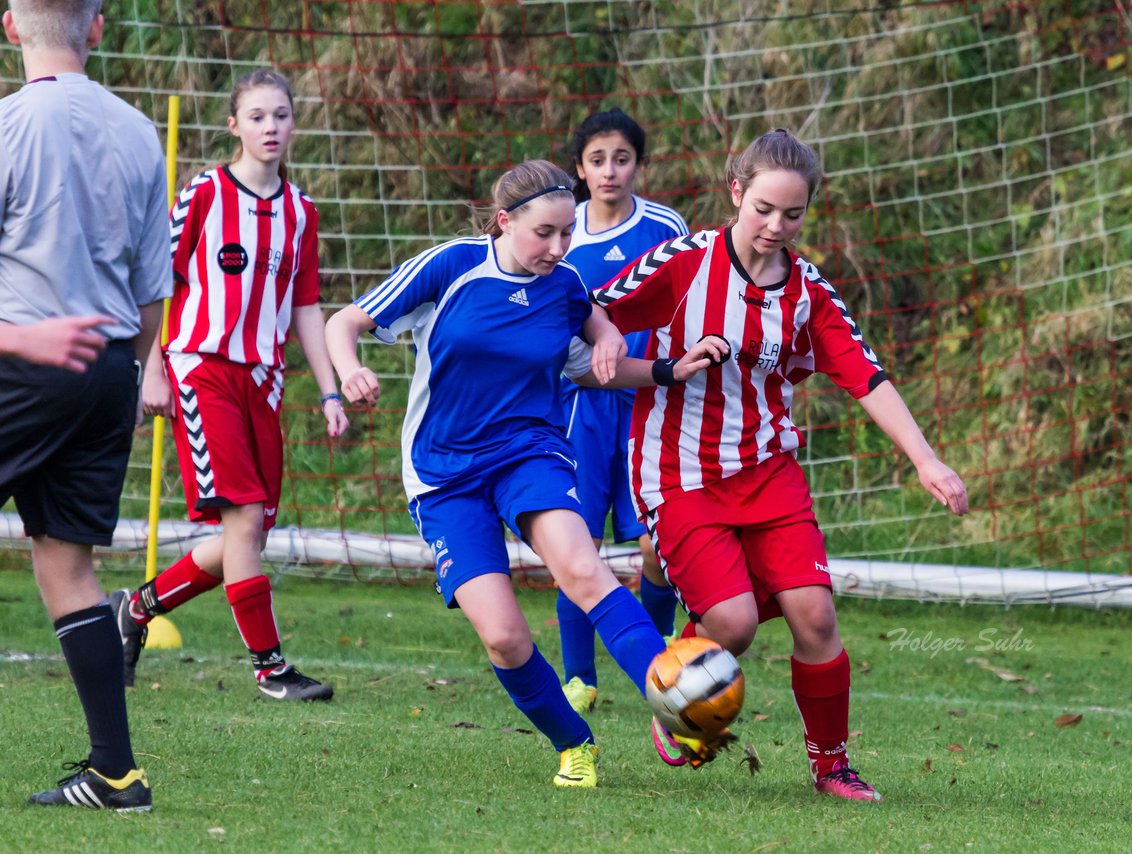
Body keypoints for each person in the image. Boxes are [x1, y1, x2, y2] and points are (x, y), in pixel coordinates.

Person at [594, 129, 970, 802]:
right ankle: (682, 695)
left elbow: (866, 376)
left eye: (792, 214)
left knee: (816, 617)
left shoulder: (809, 293)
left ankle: (833, 768)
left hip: (769, 473)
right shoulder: (684, 263)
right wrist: (627, 361)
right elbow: (596, 316)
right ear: (736, 192)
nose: (775, 225)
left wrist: (926, 459)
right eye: (763, 208)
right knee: (733, 625)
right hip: (681, 476)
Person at [325, 160, 726, 789]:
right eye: (545, 233)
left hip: (528, 452)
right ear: (505, 221)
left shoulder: (564, 286)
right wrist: (348, 369)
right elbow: (342, 322)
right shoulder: (451, 267)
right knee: (506, 638)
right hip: (444, 473)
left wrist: (668, 370)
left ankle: (678, 705)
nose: (559, 248)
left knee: (583, 568)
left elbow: (593, 366)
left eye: (568, 233)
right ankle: (575, 742)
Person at [110, 69, 348, 703]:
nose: (272, 127)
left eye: (282, 116)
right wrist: (152, 366)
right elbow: (156, 277)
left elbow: (305, 307)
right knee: (242, 519)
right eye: (258, 116)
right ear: (234, 125)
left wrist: (329, 392)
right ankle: (271, 670)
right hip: (200, 366)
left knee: (248, 535)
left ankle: (133, 611)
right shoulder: (206, 194)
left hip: (263, 382)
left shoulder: (301, 214)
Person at [0, 0, 168, 811]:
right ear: (96, 28)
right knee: (65, 561)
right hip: (108, 369)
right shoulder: (139, 133)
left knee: (65, 561)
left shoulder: (7, 126)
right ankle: (115, 774)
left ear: (9, 29)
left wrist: (25, 344)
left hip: (25, 360)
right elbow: (151, 292)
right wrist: (130, 377)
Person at [554, 109, 688, 738]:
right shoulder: (560, 235)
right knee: (573, 541)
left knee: (658, 545)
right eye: (597, 160)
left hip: (649, 404)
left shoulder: (667, 229)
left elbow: (687, 306)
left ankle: (654, 641)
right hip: (579, 409)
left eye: (622, 158)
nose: (610, 170)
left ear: (639, 162)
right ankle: (578, 680)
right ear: (579, 169)